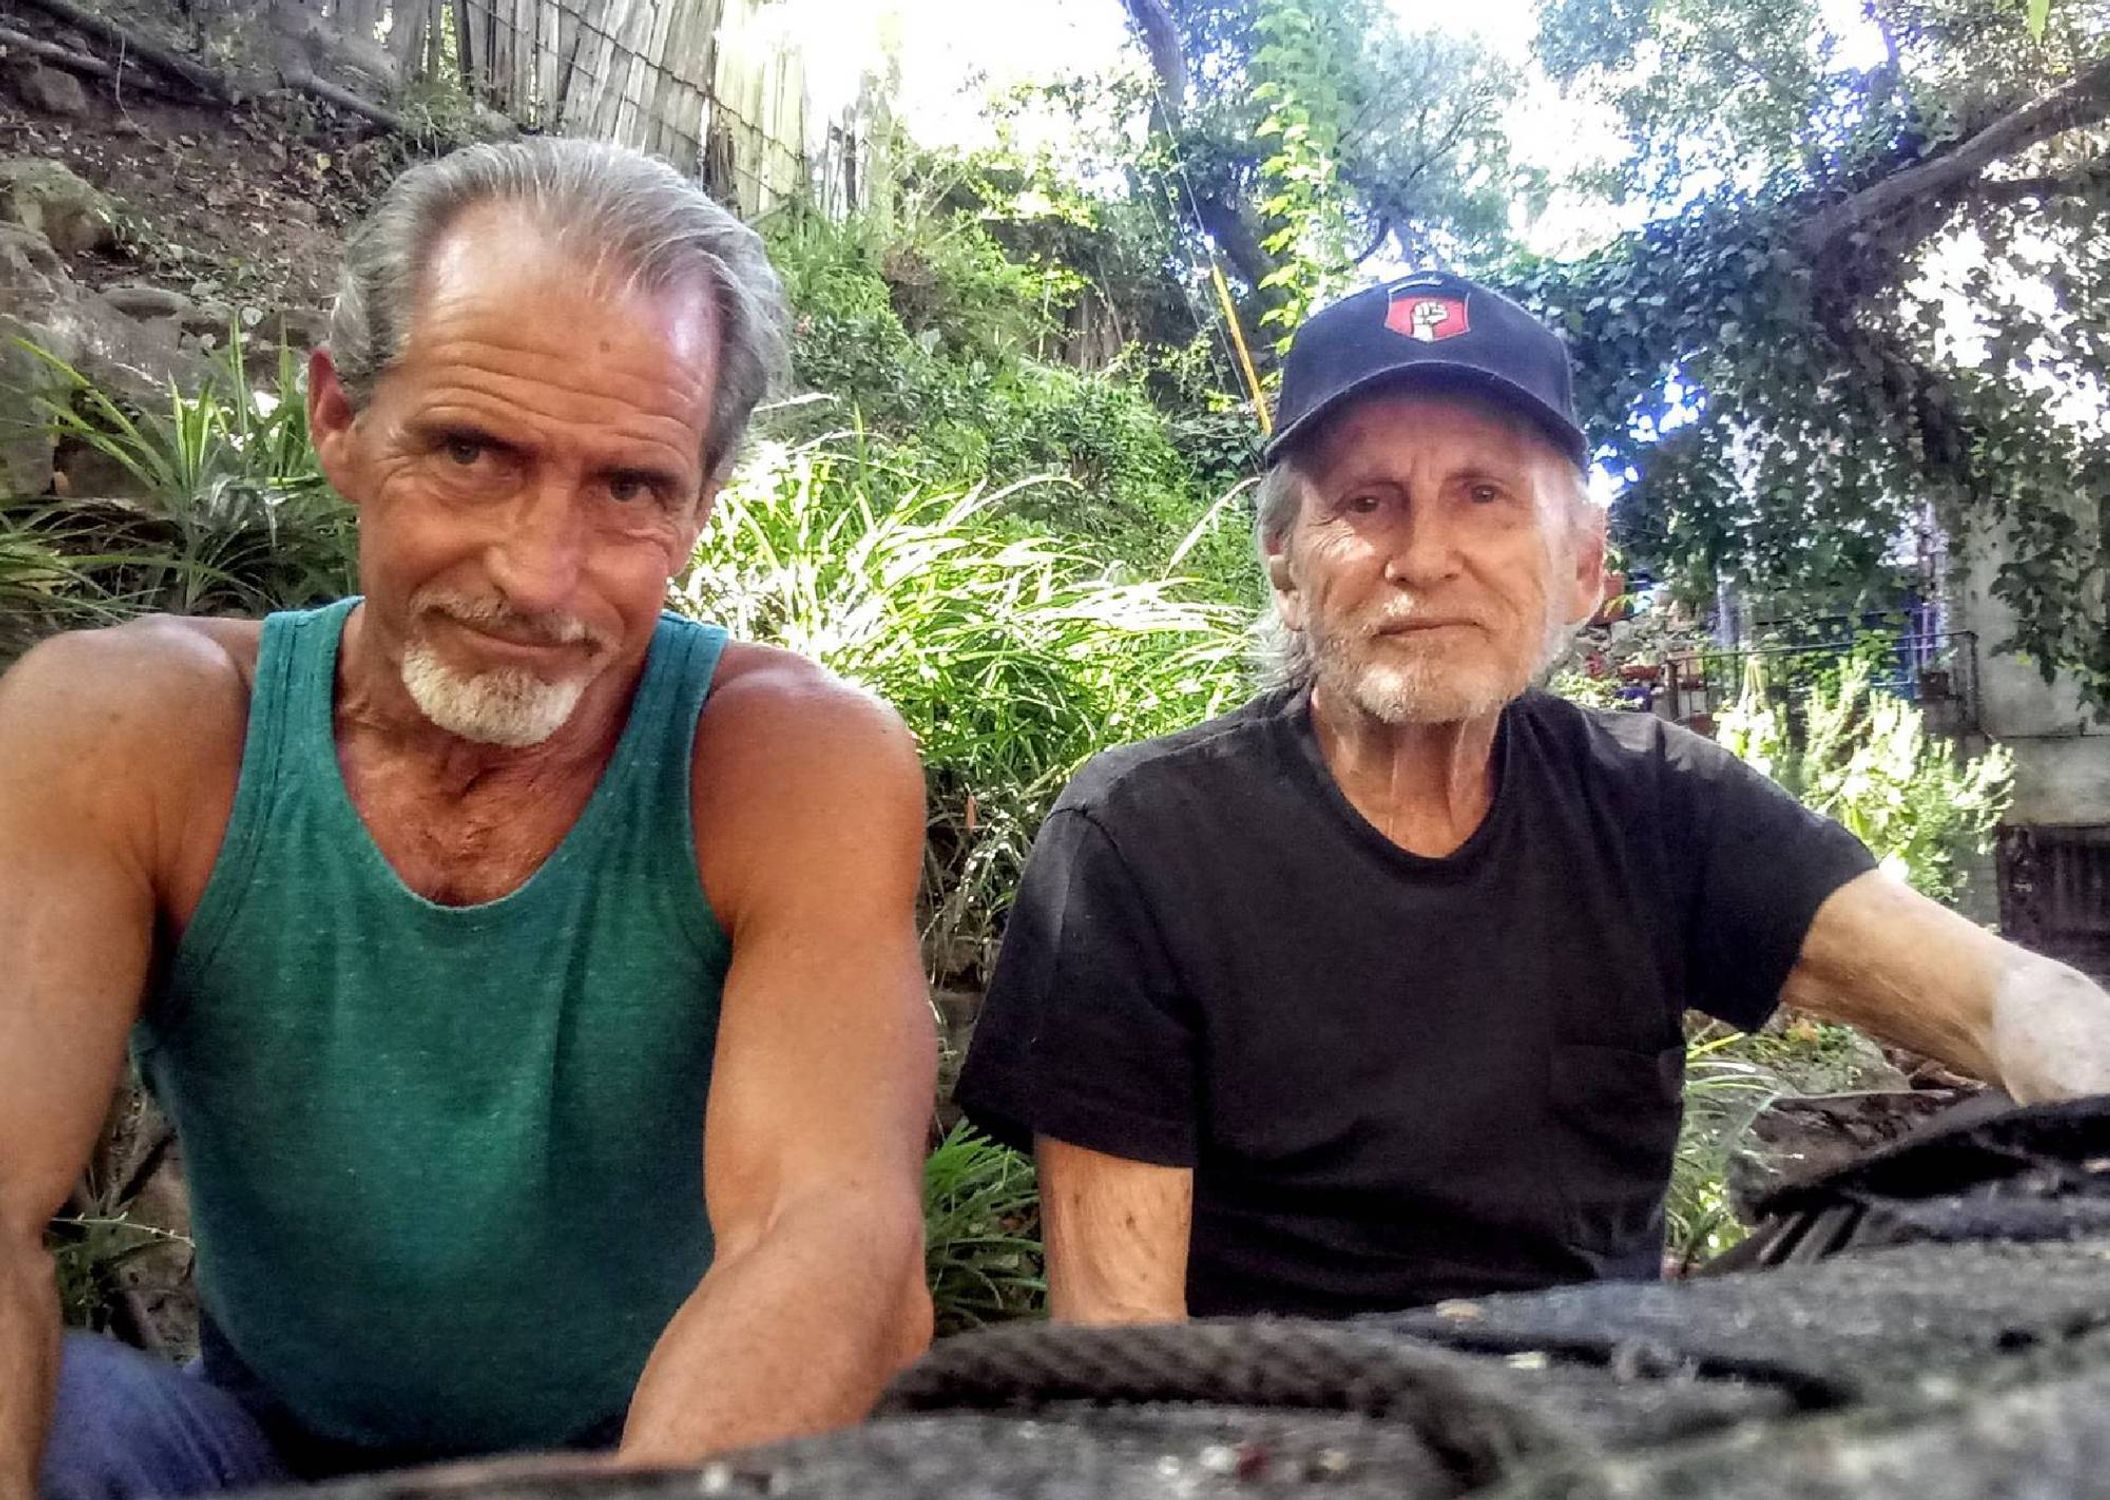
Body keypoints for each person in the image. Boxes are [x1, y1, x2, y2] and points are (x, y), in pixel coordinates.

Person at [0, 139, 935, 1496]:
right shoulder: (129, 731)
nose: (540, 573)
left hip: (649, 1446)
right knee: (72, 1427)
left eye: (630, 487)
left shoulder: (787, 764)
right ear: (339, 421)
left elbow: (832, 1231)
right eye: (472, 450)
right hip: (255, 1449)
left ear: (701, 504)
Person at [955, 270, 2110, 1326]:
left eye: (1484, 495)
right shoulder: (1145, 841)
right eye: (1364, 501)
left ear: (1583, 565)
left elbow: (2001, 1001)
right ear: (1286, 567)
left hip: (1605, 1427)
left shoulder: (1657, 806)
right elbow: (1121, 1342)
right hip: (1278, 1439)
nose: (1423, 555)